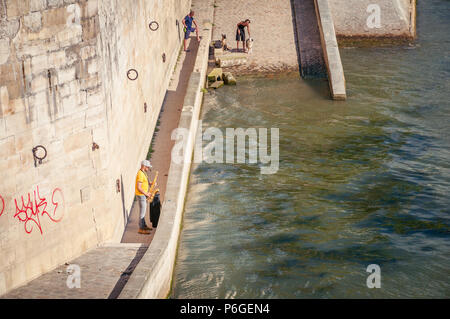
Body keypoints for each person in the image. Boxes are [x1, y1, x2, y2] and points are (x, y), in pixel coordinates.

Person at [135, 160, 153, 234]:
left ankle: (144, 225)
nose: (148, 169)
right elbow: (139, 187)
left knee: (143, 211)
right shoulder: (140, 174)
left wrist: (151, 183)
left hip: (143, 195)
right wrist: (146, 194)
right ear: (144, 166)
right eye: (148, 167)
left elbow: (146, 183)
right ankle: (141, 229)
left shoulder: (144, 173)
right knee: (142, 212)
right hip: (141, 195)